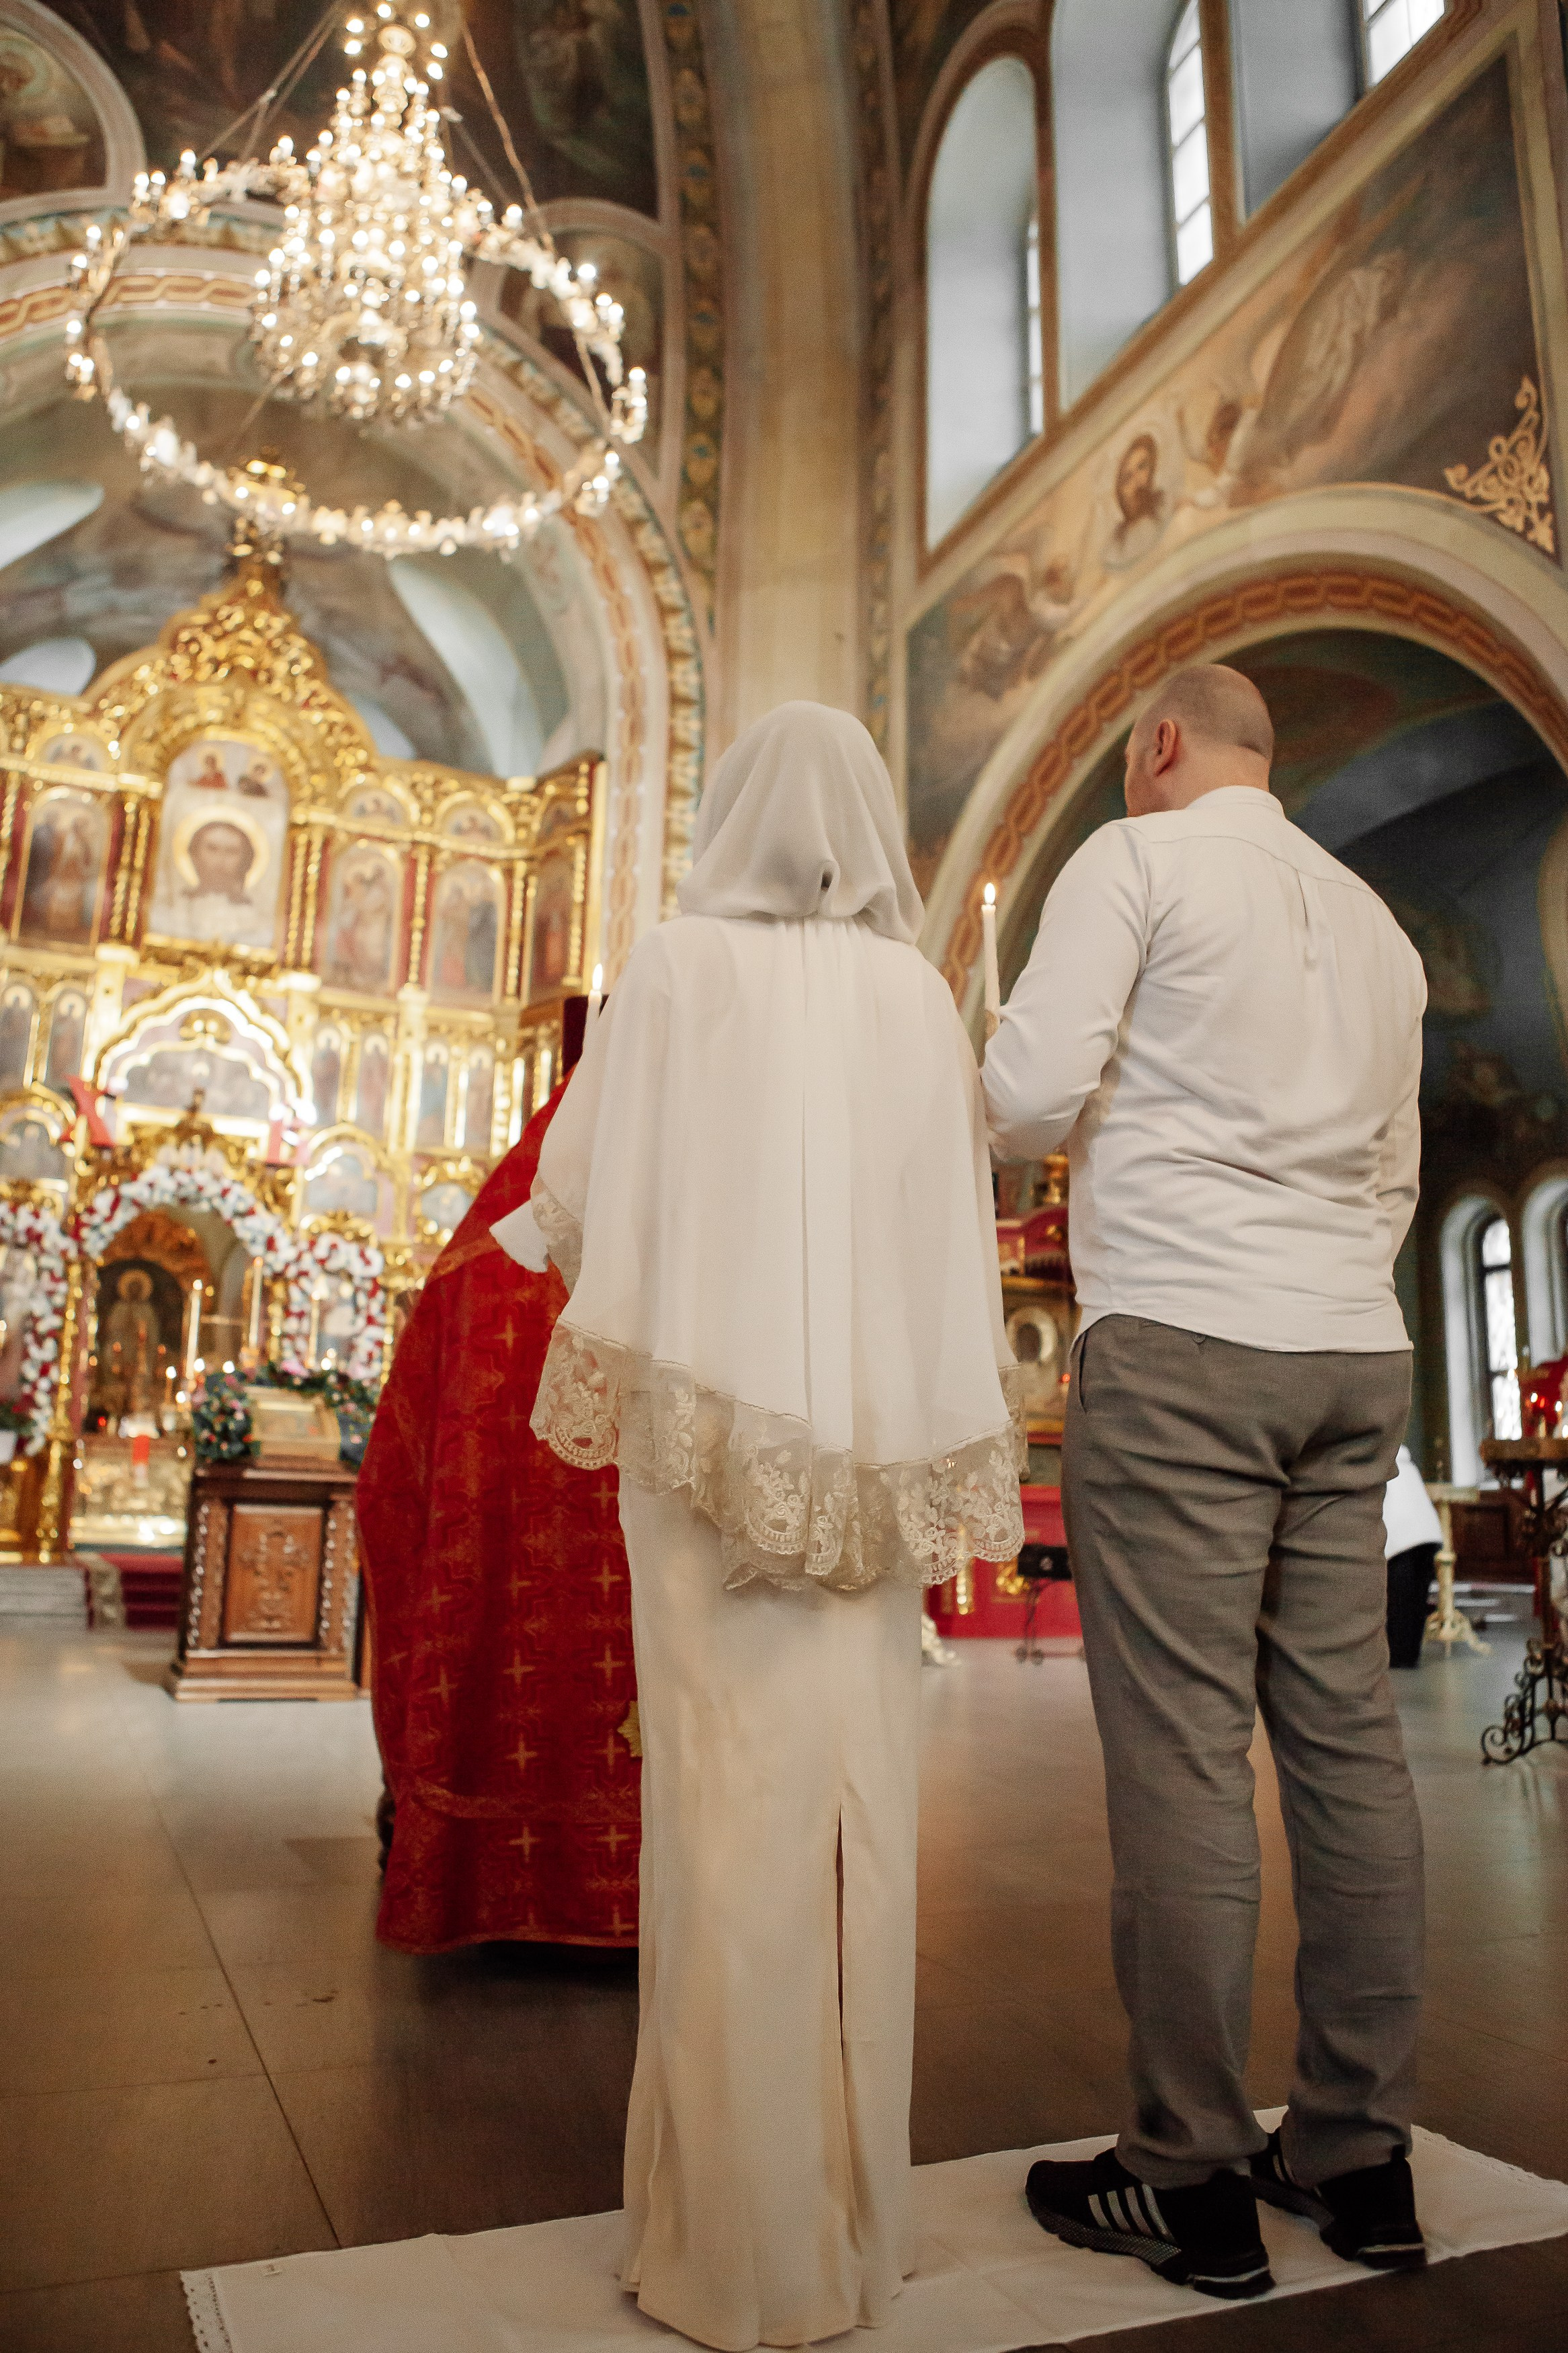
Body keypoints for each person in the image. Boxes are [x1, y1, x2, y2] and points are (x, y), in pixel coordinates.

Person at [530, 701, 1024, 2352]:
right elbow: (950, 1234)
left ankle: (721, 2245)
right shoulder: (916, 999)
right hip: (872, 1465)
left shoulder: (676, 968)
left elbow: (577, 1202)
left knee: (718, 1818)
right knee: (857, 1826)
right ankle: (855, 2234)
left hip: (704, 1456)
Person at [983, 663, 1428, 2300]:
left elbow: (1022, 1098)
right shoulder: (1374, 924)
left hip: (1181, 1336)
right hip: (1351, 1348)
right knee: (1346, 1746)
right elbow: (1393, 1171)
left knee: (1180, 1753)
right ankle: (1356, 2155)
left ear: (1156, 744)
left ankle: (1185, 2173)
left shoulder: (1135, 859)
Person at [358, 1024, 640, 1955]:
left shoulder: (484, 1252)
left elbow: (395, 1478)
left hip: (513, 1577)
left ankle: (481, 1871)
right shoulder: (705, 1224)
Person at [1384, 1445, 1443, 1669]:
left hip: (1402, 1541)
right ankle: (1410, 1655)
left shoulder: (1382, 1465)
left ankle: (1399, 1656)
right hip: (1428, 1536)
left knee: (1400, 1601)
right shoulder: (1407, 1464)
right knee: (1417, 1600)